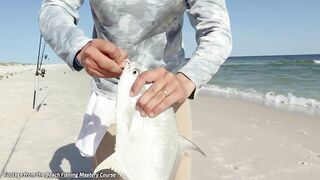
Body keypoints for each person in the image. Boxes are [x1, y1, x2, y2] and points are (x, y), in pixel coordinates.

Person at [39, 0, 232, 179]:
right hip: (111, 101)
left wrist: (186, 79)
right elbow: (55, 8)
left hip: (169, 99)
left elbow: (217, 30)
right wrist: (79, 47)